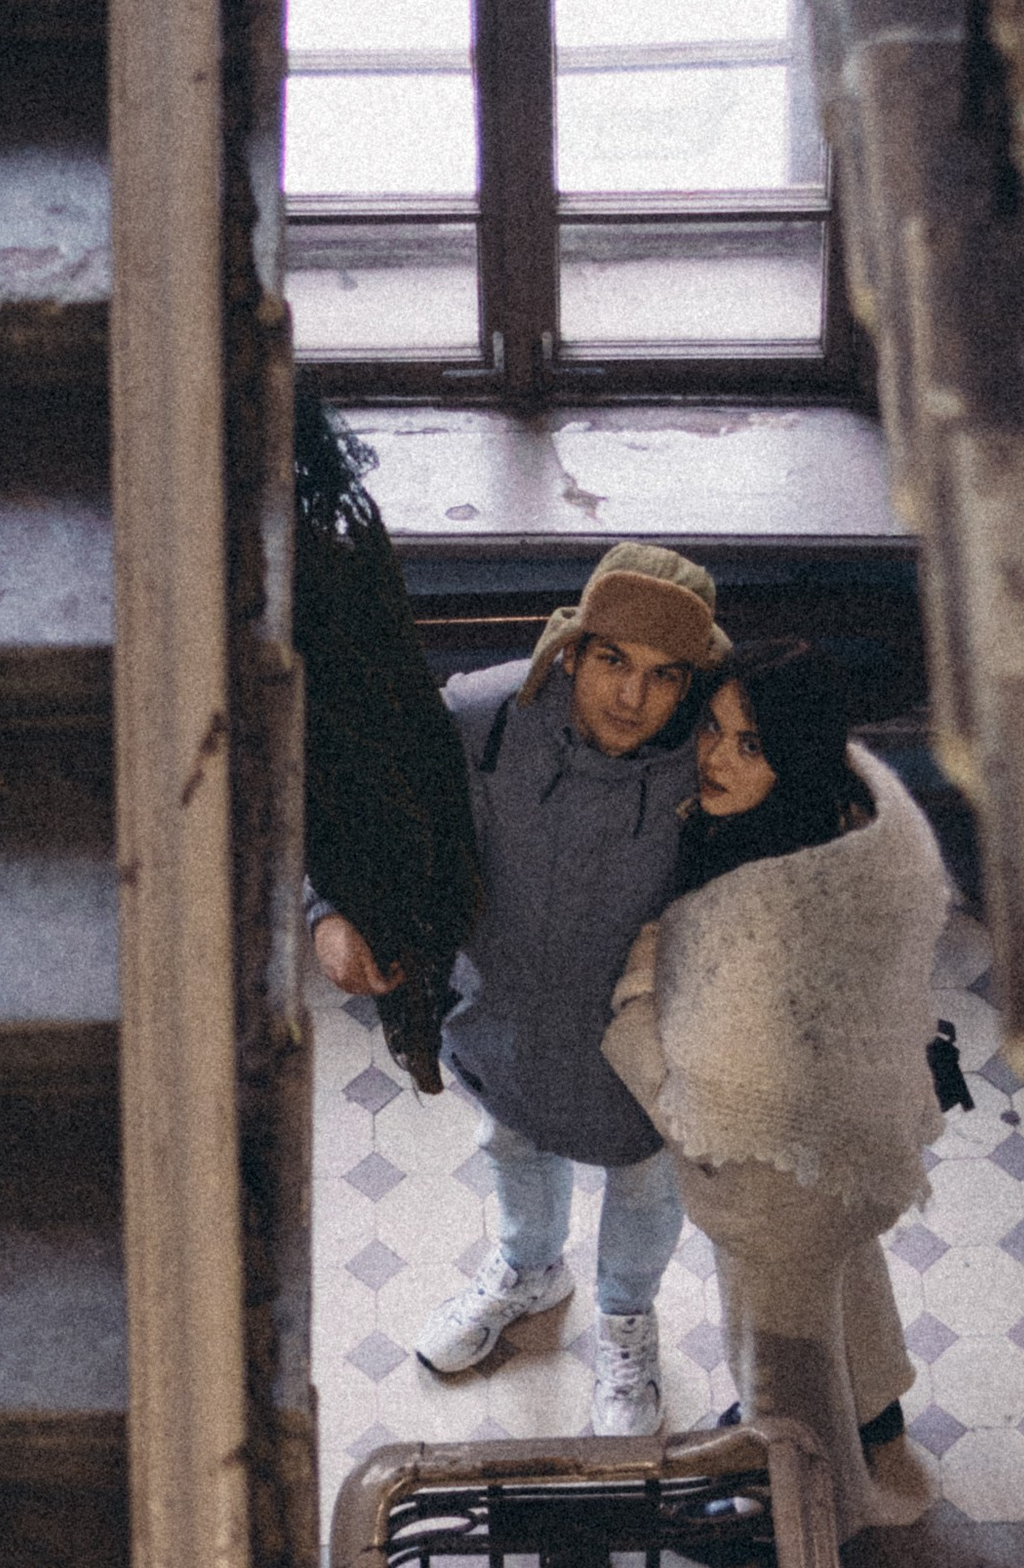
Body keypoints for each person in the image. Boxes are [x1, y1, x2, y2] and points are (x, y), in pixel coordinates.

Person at [309, 540, 728, 1438]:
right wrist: (330, 912)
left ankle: (625, 1316)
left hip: (644, 1051)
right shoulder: (483, 718)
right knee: (513, 1149)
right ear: (572, 648)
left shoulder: (712, 759)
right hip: (501, 1019)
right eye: (613, 660)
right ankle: (529, 1268)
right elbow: (362, 812)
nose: (630, 697)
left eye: (664, 677)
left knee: (646, 1189)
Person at [602, 639, 947, 1534]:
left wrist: (636, 988)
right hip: (855, 1150)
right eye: (714, 728)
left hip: (773, 1190)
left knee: (779, 1354)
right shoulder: (851, 820)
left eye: (749, 746)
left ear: (789, 755)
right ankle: (875, 1409)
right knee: (852, 1279)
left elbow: (695, 1091)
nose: (715, 757)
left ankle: (804, 1507)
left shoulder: (761, 918)